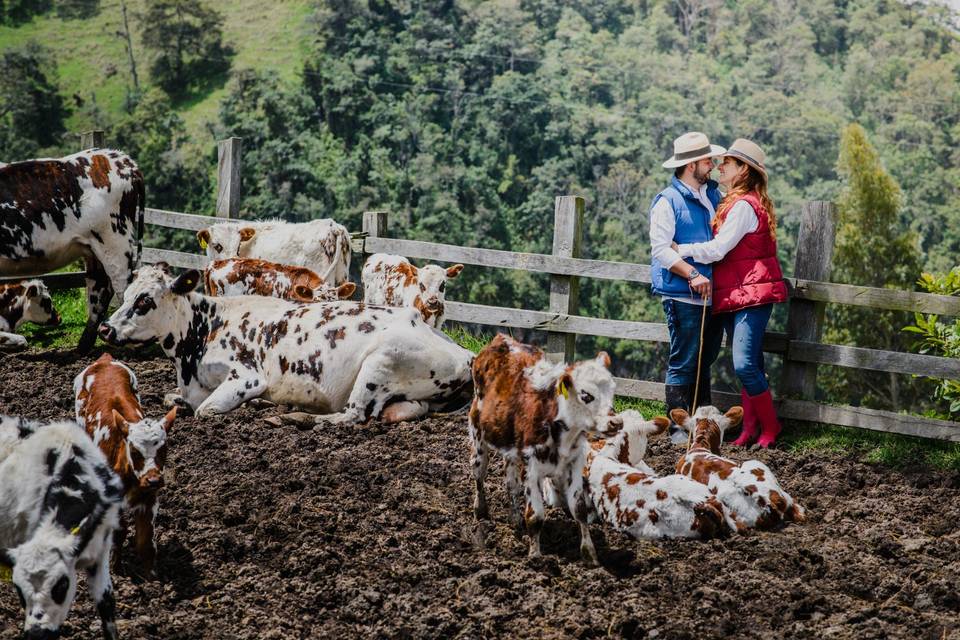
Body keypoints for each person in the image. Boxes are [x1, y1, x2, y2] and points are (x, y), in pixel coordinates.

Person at [674, 139, 788, 448]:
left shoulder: (741, 206)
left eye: (728, 162)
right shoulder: (734, 201)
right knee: (751, 364)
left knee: (744, 364)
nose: (720, 166)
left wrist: (679, 249)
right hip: (737, 293)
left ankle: (771, 427)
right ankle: (750, 429)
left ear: (743, 170)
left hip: (750, 293)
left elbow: (717, 249)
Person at [649, 132, 727, 444]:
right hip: (683, 294)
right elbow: (661, 249)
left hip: (712, 295)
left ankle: (701, 427)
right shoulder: (667, 202)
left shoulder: (714, 196)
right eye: (708, 160)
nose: (713, 164)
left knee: (705, 359)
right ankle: (679, 432)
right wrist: (693, 273)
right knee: (684, 361)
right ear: (692, 164)